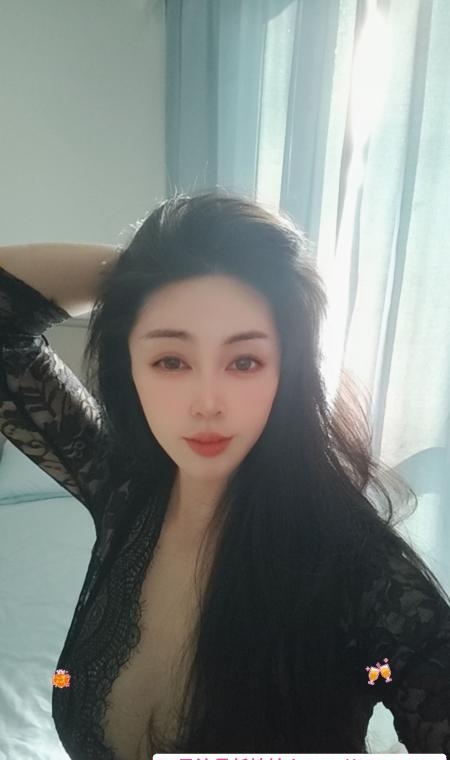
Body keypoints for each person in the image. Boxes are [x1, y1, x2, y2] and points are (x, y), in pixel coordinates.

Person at [1, 188, 449, 759]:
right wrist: (143, 269)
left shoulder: (361, 572)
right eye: (171, 360)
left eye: (244, 361)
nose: (207, 403)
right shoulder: (123, 487)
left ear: (285, 371)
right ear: (128, 367)